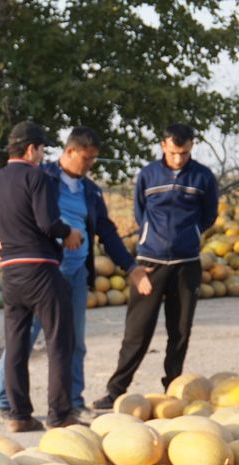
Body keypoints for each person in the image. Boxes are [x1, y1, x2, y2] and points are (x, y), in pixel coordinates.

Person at [0, 127, 153, 421]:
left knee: (73, 341)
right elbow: (9, 205)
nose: (90, 164)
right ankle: (4, 400)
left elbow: (107, 232)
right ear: (69, 152)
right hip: (41, 269)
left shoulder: (90, 191)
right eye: (86, 158)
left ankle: (72, 400)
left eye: (94, 160)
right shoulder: (41, 176)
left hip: (75, 272)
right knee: (23, 336)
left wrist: (130, 266)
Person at [0, 121, 84, 432]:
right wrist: (70, 233)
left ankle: (19, 415)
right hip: (41, 269)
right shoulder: (37, 178)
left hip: (11, 272)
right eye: (41, 148)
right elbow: (47, 223)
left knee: (16, 345)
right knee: (59, 342)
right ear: (30, 149)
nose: (42, 154)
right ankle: (60, 415)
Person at [92, 123, 219, 409]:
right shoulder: (148, 174)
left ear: (191, 147)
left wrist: (192, 234)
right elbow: (140, 212)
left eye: (184, 153)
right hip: (150, 263)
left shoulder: (203, 176)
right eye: (174, 152)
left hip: (187, 264)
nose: (178, 159)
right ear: (163, 145)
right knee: (137, 331)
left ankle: (173, 387)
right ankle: (116, 390)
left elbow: (209, 214)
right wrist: (152, 238)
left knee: (180, 330)